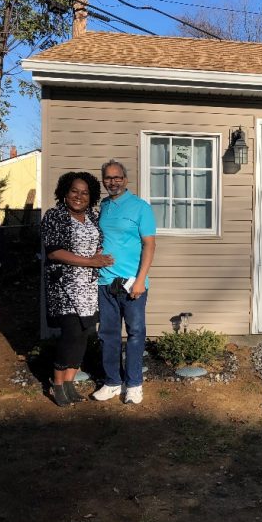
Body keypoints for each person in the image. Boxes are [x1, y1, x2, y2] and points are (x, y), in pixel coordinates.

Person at [41, 172, 114, 407]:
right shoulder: (55, 216)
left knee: (83, 335)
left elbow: (97, 243)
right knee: (70, 335)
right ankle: (58, 384)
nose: (79, 196)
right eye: (74, 191)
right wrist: (91, 262)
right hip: (64, 287)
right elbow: (54, 252)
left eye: (85, 192)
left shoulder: (92, 218)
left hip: (89, 288)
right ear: (65, 192)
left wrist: (100, 258)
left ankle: (70, 384)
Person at [92, 159, 156, 405]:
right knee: (108, 334)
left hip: (133, 284)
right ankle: (112, 382)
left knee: (136, 333)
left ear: (126, 179)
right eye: (108, 178)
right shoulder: (105, 206)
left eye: (117, 177)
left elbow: (150, 244)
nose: (113, 182)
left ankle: (134, 384)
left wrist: (140, 280)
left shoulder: (141, 208)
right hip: (105, 282)